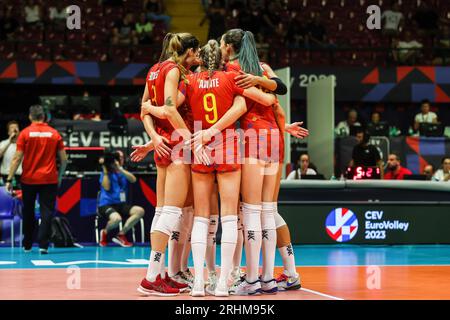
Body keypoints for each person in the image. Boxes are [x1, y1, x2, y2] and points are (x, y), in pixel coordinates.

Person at [142, 39, 279, 296]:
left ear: (201, 58)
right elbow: (242, 106)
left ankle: (196, 284)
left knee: (201, 219)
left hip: (198, 146)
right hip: (225, 144)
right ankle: (223, 284)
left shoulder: (190, 80)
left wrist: (150, 108)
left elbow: (170, 109)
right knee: (229, 218)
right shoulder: (230, 77)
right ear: (221, 57)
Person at [137, 32, 200, 297]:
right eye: (195, 52)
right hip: (175, 145)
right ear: (188, 51)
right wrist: (192, 139)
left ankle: (159, 274)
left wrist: (153, 137)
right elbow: (170, 109)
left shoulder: (154, 69)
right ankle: (151, 278)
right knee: (171, 213)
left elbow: (144, 108)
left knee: (162, 212)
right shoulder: (174, 70)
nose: (197, 57)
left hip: (164, 143)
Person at [5, 105, 67, 254]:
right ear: (44, 117)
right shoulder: (54, 134)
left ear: (30, 117)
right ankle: (43, 245)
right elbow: (64, 159)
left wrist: (9, 179)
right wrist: (59, 177)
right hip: (49, 180)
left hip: (29, 180)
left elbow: (17, 158)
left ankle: (27, 244)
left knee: (28, 212)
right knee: (47, 212)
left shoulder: (25, 133)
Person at [98, 151, 145, 247]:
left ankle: (121, 234)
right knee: (116, 219)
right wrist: (105, 170)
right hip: (106, 204)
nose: (120, 160)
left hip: (121, 204)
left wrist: (120, 169)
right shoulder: (105, 173)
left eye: (122, 158)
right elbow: (106, 187)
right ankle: (105, 232)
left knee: (139, 211)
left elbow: (133, 180)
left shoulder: (122, 172)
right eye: (119, 158)